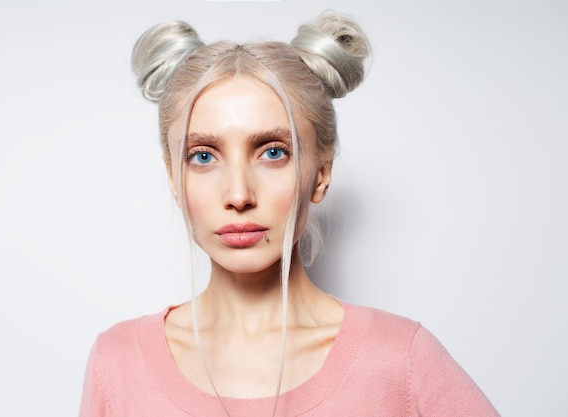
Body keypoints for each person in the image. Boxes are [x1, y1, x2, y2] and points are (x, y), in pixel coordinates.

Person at [79, 11, 500, 417]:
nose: (239, 194)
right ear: (173, 177)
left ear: (321, 172)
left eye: (273, 152)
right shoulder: (117, 364)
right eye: (203, 156)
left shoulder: (401, 359)